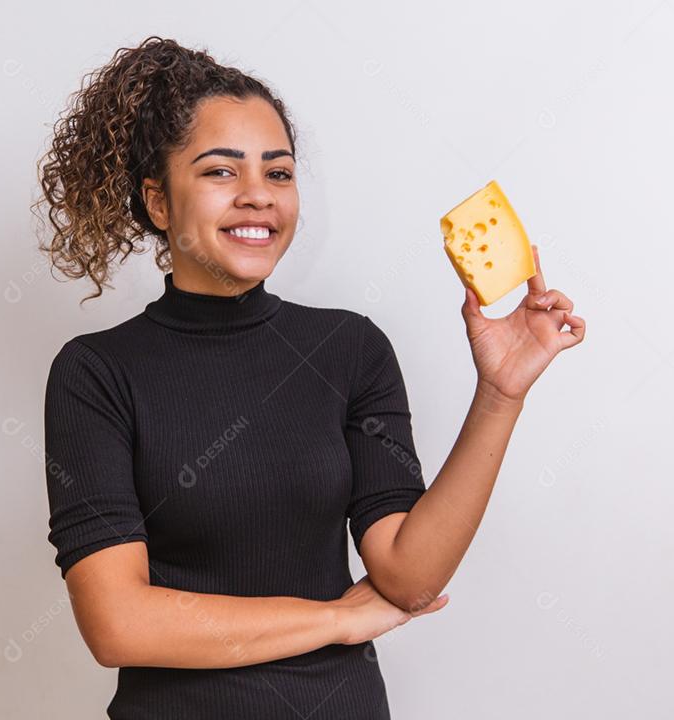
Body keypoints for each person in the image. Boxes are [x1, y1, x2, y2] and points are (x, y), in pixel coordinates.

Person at [34, 35, 585, 720]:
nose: (257, 197)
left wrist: (500, 395)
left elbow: (408, 579)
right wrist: (333, 621)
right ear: (158, 202)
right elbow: (119, 624)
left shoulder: (349, 349)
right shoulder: (97, 374)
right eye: (220, 173)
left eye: (279, 173)